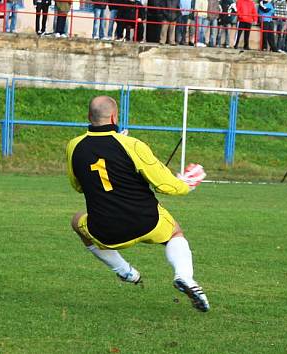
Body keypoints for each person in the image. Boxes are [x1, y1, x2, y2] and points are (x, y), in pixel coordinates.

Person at [67, 96, 210, 311]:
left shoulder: (74, 146)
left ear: (89, 116)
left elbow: (78, 186)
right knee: (174, 234)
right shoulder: (131, 145)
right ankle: (184, 277)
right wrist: (187, 184)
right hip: (147, 222)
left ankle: (125, 271)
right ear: (114, 117)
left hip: (105, 231)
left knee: (77, 221)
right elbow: (165, 185)